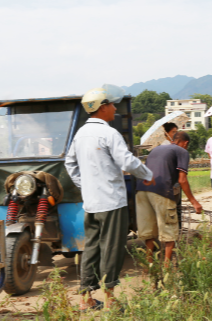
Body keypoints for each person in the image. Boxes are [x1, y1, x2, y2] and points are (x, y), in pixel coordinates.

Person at [65, 87, 155, 311]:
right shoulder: (109, 133)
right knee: (112, 248)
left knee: (91, 248)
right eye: (112, 105)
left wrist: (84, 185)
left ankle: (85, 299)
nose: (115, 109)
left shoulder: (80, 134)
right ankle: (110, 299)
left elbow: (69, 164)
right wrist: (148, 175)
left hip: (91, 203)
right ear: (102, 107)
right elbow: (126, 162)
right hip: (112, 202)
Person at [136, 131, 203, 263]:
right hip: (161, 190)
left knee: (149, 231)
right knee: (170, 232)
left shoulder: (156, 149)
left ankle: (148, 266)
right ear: (185, 143)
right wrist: (194, 202)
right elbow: (182, 180)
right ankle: (167, 269)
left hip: (141, 190)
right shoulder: (182, 151)